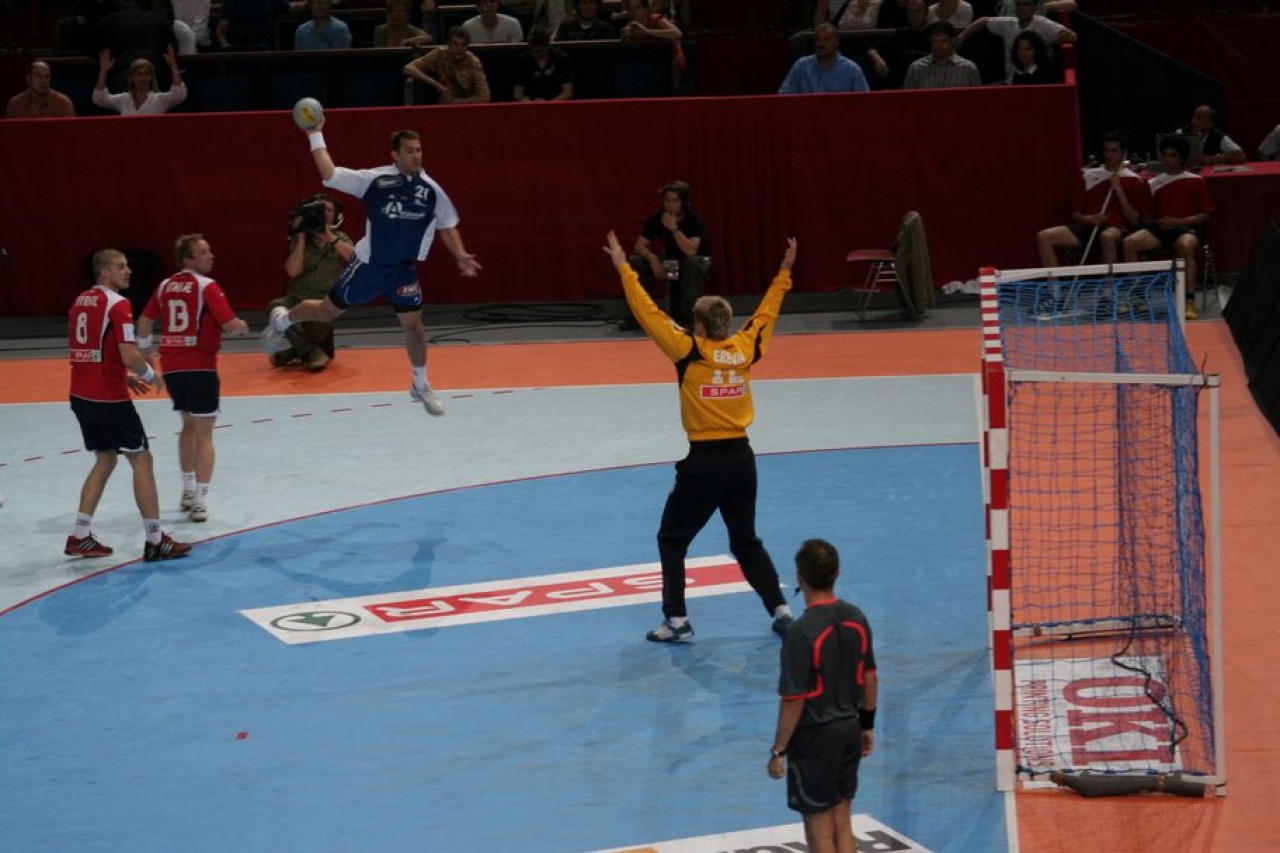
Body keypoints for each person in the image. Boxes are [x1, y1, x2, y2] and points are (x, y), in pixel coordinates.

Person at [603, 230, 797, 642]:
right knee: (745, 541)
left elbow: (647, 312)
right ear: (726, 324)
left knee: (672, 539)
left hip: (705, 461)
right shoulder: (745, 349)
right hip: (743, 460)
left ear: (699, 325)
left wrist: (623, 266)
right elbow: (766, 314)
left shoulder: (689, 350)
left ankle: (676, 621)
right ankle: (781, 611)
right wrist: (783, 273)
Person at [262, 120, 481, 416]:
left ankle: (420, 384)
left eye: (419, 151)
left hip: (403, 271)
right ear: (394, 155)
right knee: (326, 312)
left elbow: (446, 223)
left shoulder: (430, 189)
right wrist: (315, 133)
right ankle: (282, 320)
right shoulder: (376, 181)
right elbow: (329, 174)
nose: (416, 156)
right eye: (409, 151)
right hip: (368, 267)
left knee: (415, 327)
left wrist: (460, 255)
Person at [66, 249, 193, 563]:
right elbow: (129, 353)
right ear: (105, 273)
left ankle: (80, 536)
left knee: (105, 459)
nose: (129, 272)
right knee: (142, 460)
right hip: (108, 399)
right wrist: (153, 376)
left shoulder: (79, 302)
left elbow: (92, 352)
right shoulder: (118, 304)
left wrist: (122, 376)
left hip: (81, 395)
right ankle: (155, 539)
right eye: (121, 267)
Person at [768, 539, 877, 853]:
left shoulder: (801, 633)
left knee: (818, 830)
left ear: (800, 577)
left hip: (816, 739)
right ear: (837, 573)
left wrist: (778, 751)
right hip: (849, 731)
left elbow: (793, 700)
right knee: (842, 821)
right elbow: (871, 677)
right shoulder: (856, 617)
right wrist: (866, 726)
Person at [136, 235, 249, 523]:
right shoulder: (206, 286)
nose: (211, 255)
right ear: (188, 259)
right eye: (203, 252)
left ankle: (187, 490)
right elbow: (228, 323)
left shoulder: (165, 285)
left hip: (172, 366)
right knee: (204, 433)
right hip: (200, 365)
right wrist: (243, 326)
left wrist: (146, 352)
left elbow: (145, 321)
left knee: (187, 426)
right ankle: (200, 501)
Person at [1122, 134, 1214, 320]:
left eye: (1171, 155)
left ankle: (1188, 300)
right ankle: (1137, 297)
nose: (1166, 159)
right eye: (1164, 155)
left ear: (1181, 158)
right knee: (1130, 243)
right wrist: (1156, 223)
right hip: (1160, 229)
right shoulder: (1154, 182)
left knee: (1185, 246)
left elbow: (1205, 215)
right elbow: (1147, 216)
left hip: (1187, 228)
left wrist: (1178, 222)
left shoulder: (1196, 181)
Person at [1037, 131, 1149, 266]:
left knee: (1107, 236)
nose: (1109, 155)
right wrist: (1089, 219)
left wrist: (1119, 190)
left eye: (1114, 151)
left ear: (1123, 153)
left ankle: (1109, 286)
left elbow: (1133, 220)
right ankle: (1053, 287)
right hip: (1090, 227)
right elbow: (1075, 215)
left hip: (1117, 228)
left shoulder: (1134, 180)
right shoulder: (1088, 176)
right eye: (1106, 150)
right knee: (1044, 237)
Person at [272, 193, 354, 370]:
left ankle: (297, 351)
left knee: (324, 316)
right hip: (296, 299)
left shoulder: (341, 238)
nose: (324, 213)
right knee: (276, 307)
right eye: (320, 209)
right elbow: (293, 271)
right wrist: (301, 236)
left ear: (337, 216)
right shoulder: (300, 239)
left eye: (329, 210)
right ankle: (313, 352)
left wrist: (331, 238)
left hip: (325, 301)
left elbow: (355, 259)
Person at [618, 180, 711, 332]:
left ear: (683, 202)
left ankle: (687, 319)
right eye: (667, 200)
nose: (670, 204)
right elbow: (639, 245)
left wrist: (674, 229)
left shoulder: (693, 220)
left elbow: (691, 251)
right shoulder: (657, 218)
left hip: (695, 263)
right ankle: (638, 316)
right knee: (636, 261)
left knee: (692, 264)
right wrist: (653, 259)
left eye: (675, 201)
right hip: (671, 262)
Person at [957, 0, 1076, 84]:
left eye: (1026, 4)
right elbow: (983, 21)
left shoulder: (1042, 23)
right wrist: (960, 38)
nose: (1021, 7)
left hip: (1036, 81)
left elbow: (1072, 36)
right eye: (1018, 4)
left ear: (1034, 8)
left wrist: (1044, 45)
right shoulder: (1009, 23)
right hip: (1010, 82)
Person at [402, 26, 492, 104]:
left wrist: (455, 102)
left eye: (463, 44)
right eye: (455, 44)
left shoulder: (473, 61)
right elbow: (408, 68)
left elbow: (485, 97)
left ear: (467, 46)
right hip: (444, 105)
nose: (459, 48)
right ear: (448, 44)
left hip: (468, 106)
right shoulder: (440, 53)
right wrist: (438, 85)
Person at [779, 22, 870, 95]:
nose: (821, 44)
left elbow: (863, 102)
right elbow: (784, 96)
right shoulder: (801, 66)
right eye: (818, 39)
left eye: (826, 39)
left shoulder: (852, 70)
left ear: (836, 42)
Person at [93, 46, 187, 114]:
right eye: (139, 74)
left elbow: (178, 94)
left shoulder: (160, 99)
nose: (143, 78)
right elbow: (100, 99)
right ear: (131, 78)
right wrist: (103, 71)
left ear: (151, 77)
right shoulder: (124, 99)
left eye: (147, 74)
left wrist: (174, 66)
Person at [866, 0, 931, 89]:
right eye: (910, 11)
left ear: (926, 13)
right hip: (899, 87)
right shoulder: (900, 35)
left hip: (927, 86)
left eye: (918, 11)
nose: (914, 16)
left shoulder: (933, 35)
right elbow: (871, 48)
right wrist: (877, 59)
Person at [902, 21, 980, 88]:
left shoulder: (968, 69)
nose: (939, 45)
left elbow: (977, 100)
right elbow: (906, 100)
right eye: (934, 41)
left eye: (944, 41)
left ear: (952, 41)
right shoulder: (916, 68)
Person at [513, 26, 573, 102]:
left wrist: (547, 104)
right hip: (530, 106)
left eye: (539, 51)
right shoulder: (523, 60)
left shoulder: (561, 59)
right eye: (532, 51)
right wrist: (531, 104)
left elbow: (567, 92)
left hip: (555, 105)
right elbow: (518, 94)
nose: (535, 55)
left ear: (547, 46)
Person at [1175, 105, 1247, 168]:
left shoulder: (1218, 136)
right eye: (1194, 116)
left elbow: (1241, 157)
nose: (1194, 121)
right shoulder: (1180, 133)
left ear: (1210, 124)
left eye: (1200, 118)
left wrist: (1213, 159)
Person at [5, 60, 76, 119]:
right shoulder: (15, 104)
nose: (43, 80)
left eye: (47, 77)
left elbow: (70, 134)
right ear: (28, 79)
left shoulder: (63, 104)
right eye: (38, 76)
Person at [216, 0, 292, 48]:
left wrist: (226, 46)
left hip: (243, 51)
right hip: (259, 52)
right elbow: (290, 6)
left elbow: (221, 29)